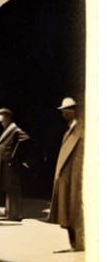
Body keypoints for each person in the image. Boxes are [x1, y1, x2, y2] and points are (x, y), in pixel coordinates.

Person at [48, 97, 83, 251]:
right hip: (65, 178)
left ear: (72, 111)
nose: (63, 114)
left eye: (65, 111)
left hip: (73, 178)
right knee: (66, 211)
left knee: (72, 210)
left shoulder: (79, 130)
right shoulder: (69, 130)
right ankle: (73, 244)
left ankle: (76, 244)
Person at [0, 107, 31, 222]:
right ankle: (10, 212)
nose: (2, 123)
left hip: (10, 164)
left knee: (13, 189)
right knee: (9, 189)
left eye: (3, 121)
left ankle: (15, 214)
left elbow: (25, 138)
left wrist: (15, 156)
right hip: (6, 164)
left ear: (8, 118)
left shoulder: (15, 129)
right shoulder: (9, 129)